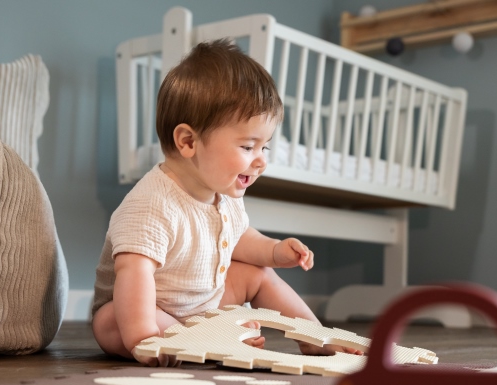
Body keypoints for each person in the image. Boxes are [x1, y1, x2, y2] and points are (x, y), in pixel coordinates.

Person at [91, 39, 359, 366]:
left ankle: (313, 336)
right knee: (109, 322)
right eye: (248, 147)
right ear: (188, 142)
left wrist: (275, 251)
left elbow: (239, 238)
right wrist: (144, 338)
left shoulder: (224, 194)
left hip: (203, 303)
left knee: (257, 273)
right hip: (149, 309)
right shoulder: (151, 205)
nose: (260, 161)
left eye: (266, 148)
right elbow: (134, 273)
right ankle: (197, 341)